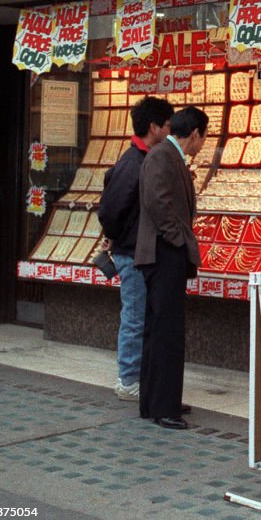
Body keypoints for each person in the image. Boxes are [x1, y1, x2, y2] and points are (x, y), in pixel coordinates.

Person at [135, 105, 208, 429]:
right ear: (195, 134)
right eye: (204, 137)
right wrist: (178, 240)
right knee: (167, 331)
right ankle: (163, 407)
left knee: (160, 329)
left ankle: (156, 400)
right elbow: (158, 202)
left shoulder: (166, 155)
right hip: (164, 254)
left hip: (165, 252)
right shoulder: (163, 155)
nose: (203, 143)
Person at [96, 95, 173, 402]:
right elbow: (110, 210)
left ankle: (138, 375)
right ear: (153, 127)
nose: (169, 131)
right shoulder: (133, 163)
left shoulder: (146, 159)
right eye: (167, 125)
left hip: (141, 252)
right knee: (135, 317)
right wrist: (119, 237)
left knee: (142, 316)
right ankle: (128, 379)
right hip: (131, 254)